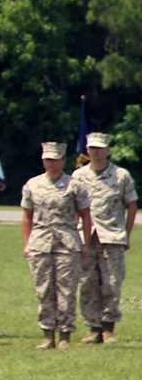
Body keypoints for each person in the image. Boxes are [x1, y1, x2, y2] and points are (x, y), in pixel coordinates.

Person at [21, 142, 93, 350]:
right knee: (43, 290)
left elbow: (86, 216)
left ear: (63, 161)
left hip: (67, 243)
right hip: (40, 243)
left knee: (67, 290)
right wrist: (27, 244)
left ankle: (64, 335)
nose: (50, 163)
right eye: (47, 159)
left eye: (55, 159)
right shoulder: (32, 184)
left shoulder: (74, 185)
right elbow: (27, 217)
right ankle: (47, 334)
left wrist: (86, 243)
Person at [70, 132, 136, 344]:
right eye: (91, 148)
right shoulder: (78, 176)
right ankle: (93, 327)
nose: (95, 151)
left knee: (112, 282)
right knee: (87, 282)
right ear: (87, 150)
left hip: (112, 235)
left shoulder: (121, 175)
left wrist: (126, 233)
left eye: (99, 147)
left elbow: (131, 205)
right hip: (85, 236)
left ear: (107, 149)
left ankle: (108, 328)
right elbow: (72, 206)